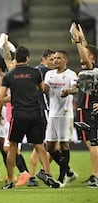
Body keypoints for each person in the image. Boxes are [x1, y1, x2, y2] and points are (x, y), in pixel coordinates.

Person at [0, 46, 60, 189]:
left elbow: (0, 99)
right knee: (39, 146)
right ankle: (48, 175)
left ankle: (10, 182)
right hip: (36, 114)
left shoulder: (9, 76)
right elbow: (42, 89)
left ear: (16, 59)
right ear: (27, 58)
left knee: (12, 147)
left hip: (19, 115)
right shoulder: (36, 72)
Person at [43, 50, 78, 186]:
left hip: (65, 113)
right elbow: (45, 89)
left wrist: (68, 91)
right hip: (52, 114)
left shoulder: (70, 74)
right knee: (50, 146)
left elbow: (76, 89)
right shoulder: (49, 74)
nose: (55, 61)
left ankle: (62, 177)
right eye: (54, 58)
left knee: (64, 144)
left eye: (58, 58)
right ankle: (69, 172)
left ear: (65, 60)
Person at [71, 23, 98, 188]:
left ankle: (96, 176)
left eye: (86, 54)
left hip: (88, 109)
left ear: (92, 58)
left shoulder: (91, 67)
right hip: (84, 109)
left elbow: (86, 58)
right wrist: (81, 38)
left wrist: (78, 42)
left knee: (92, 143)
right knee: (91, 143)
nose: (82, 56)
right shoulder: (89, 68)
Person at [27, 48, 56, 186]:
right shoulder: (45, 71)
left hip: (36, 109)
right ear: (44, 58)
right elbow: (46, 89)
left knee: (40, 145)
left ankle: (35, 175)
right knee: (44, 145)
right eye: (51, 59)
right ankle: (37, 174)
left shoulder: (35, 70)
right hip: (44, 110)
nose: (54, 62)